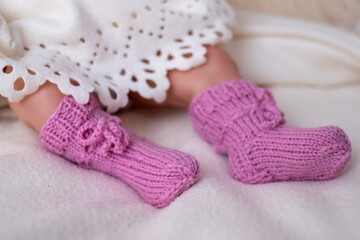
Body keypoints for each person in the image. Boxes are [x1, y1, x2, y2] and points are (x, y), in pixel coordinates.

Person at [0, 0, 351, 208]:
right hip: (41, 44)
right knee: (33, 91)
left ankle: (254, 137)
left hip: (134, 31)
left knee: (207, 60)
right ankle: (126, 157)